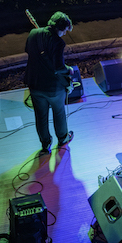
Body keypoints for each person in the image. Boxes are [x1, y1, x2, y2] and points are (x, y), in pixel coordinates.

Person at [24, 11, 75, 155]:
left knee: (40, 116)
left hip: (34, 84)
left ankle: (45, 143)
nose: (65, 34)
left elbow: (27, 50)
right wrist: (69, 70)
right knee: (58, 113)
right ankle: (63, 138)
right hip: (53, 87)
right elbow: (59, 67)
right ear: (60, 28)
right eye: (65, 31)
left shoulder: (33, 33)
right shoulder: (58, 43)